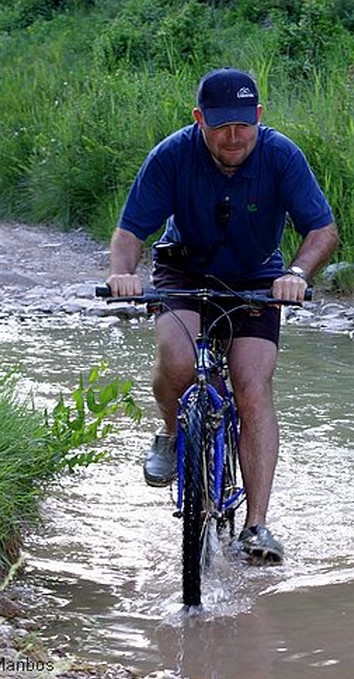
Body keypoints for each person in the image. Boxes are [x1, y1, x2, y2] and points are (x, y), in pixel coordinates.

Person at [105, 67, 339, 564]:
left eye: (242, 125)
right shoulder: (170, 156)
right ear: (199, 120)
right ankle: (171, 434)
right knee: (177, 360)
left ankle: (256, 527)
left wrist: (296, 272)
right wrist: (122, 273)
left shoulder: (281, 156)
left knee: (253, 387)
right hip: (183, 272)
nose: (233, 137)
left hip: (257, 279)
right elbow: (130, 233)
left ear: (257, 117)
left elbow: (322, 229)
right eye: (220, 127)